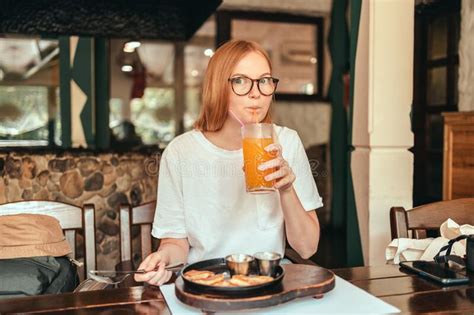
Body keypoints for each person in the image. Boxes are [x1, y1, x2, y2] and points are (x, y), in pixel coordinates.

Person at [135, 40, 323, 286]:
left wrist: (286, 189)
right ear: (217, 87)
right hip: (204, 283)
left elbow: (307, 248)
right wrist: (162, 259)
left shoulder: (286, 142)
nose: (256, 93)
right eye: (241, 81)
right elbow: (175, 243)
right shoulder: (181, 152)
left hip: (267, 282)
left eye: (264, 80)